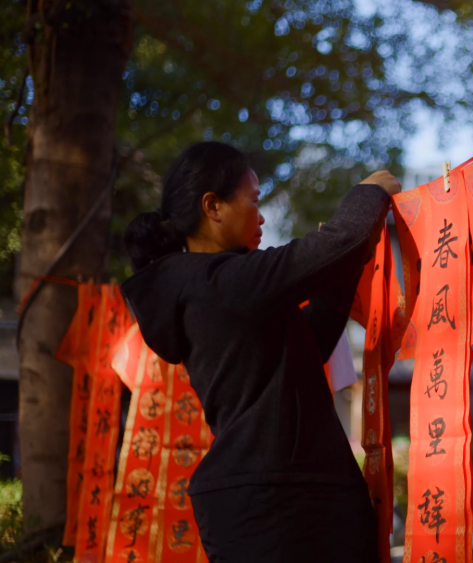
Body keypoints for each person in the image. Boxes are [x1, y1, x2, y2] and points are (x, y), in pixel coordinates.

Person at [121, 141, 401, 562]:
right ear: (213, 207)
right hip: (276, 500)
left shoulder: (216, 288)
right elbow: (336, 243)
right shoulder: (220, 282)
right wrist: (370, 192)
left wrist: (344, 266)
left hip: (276, 494)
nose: (262, 215)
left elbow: (308, 347)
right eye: (252, 200)